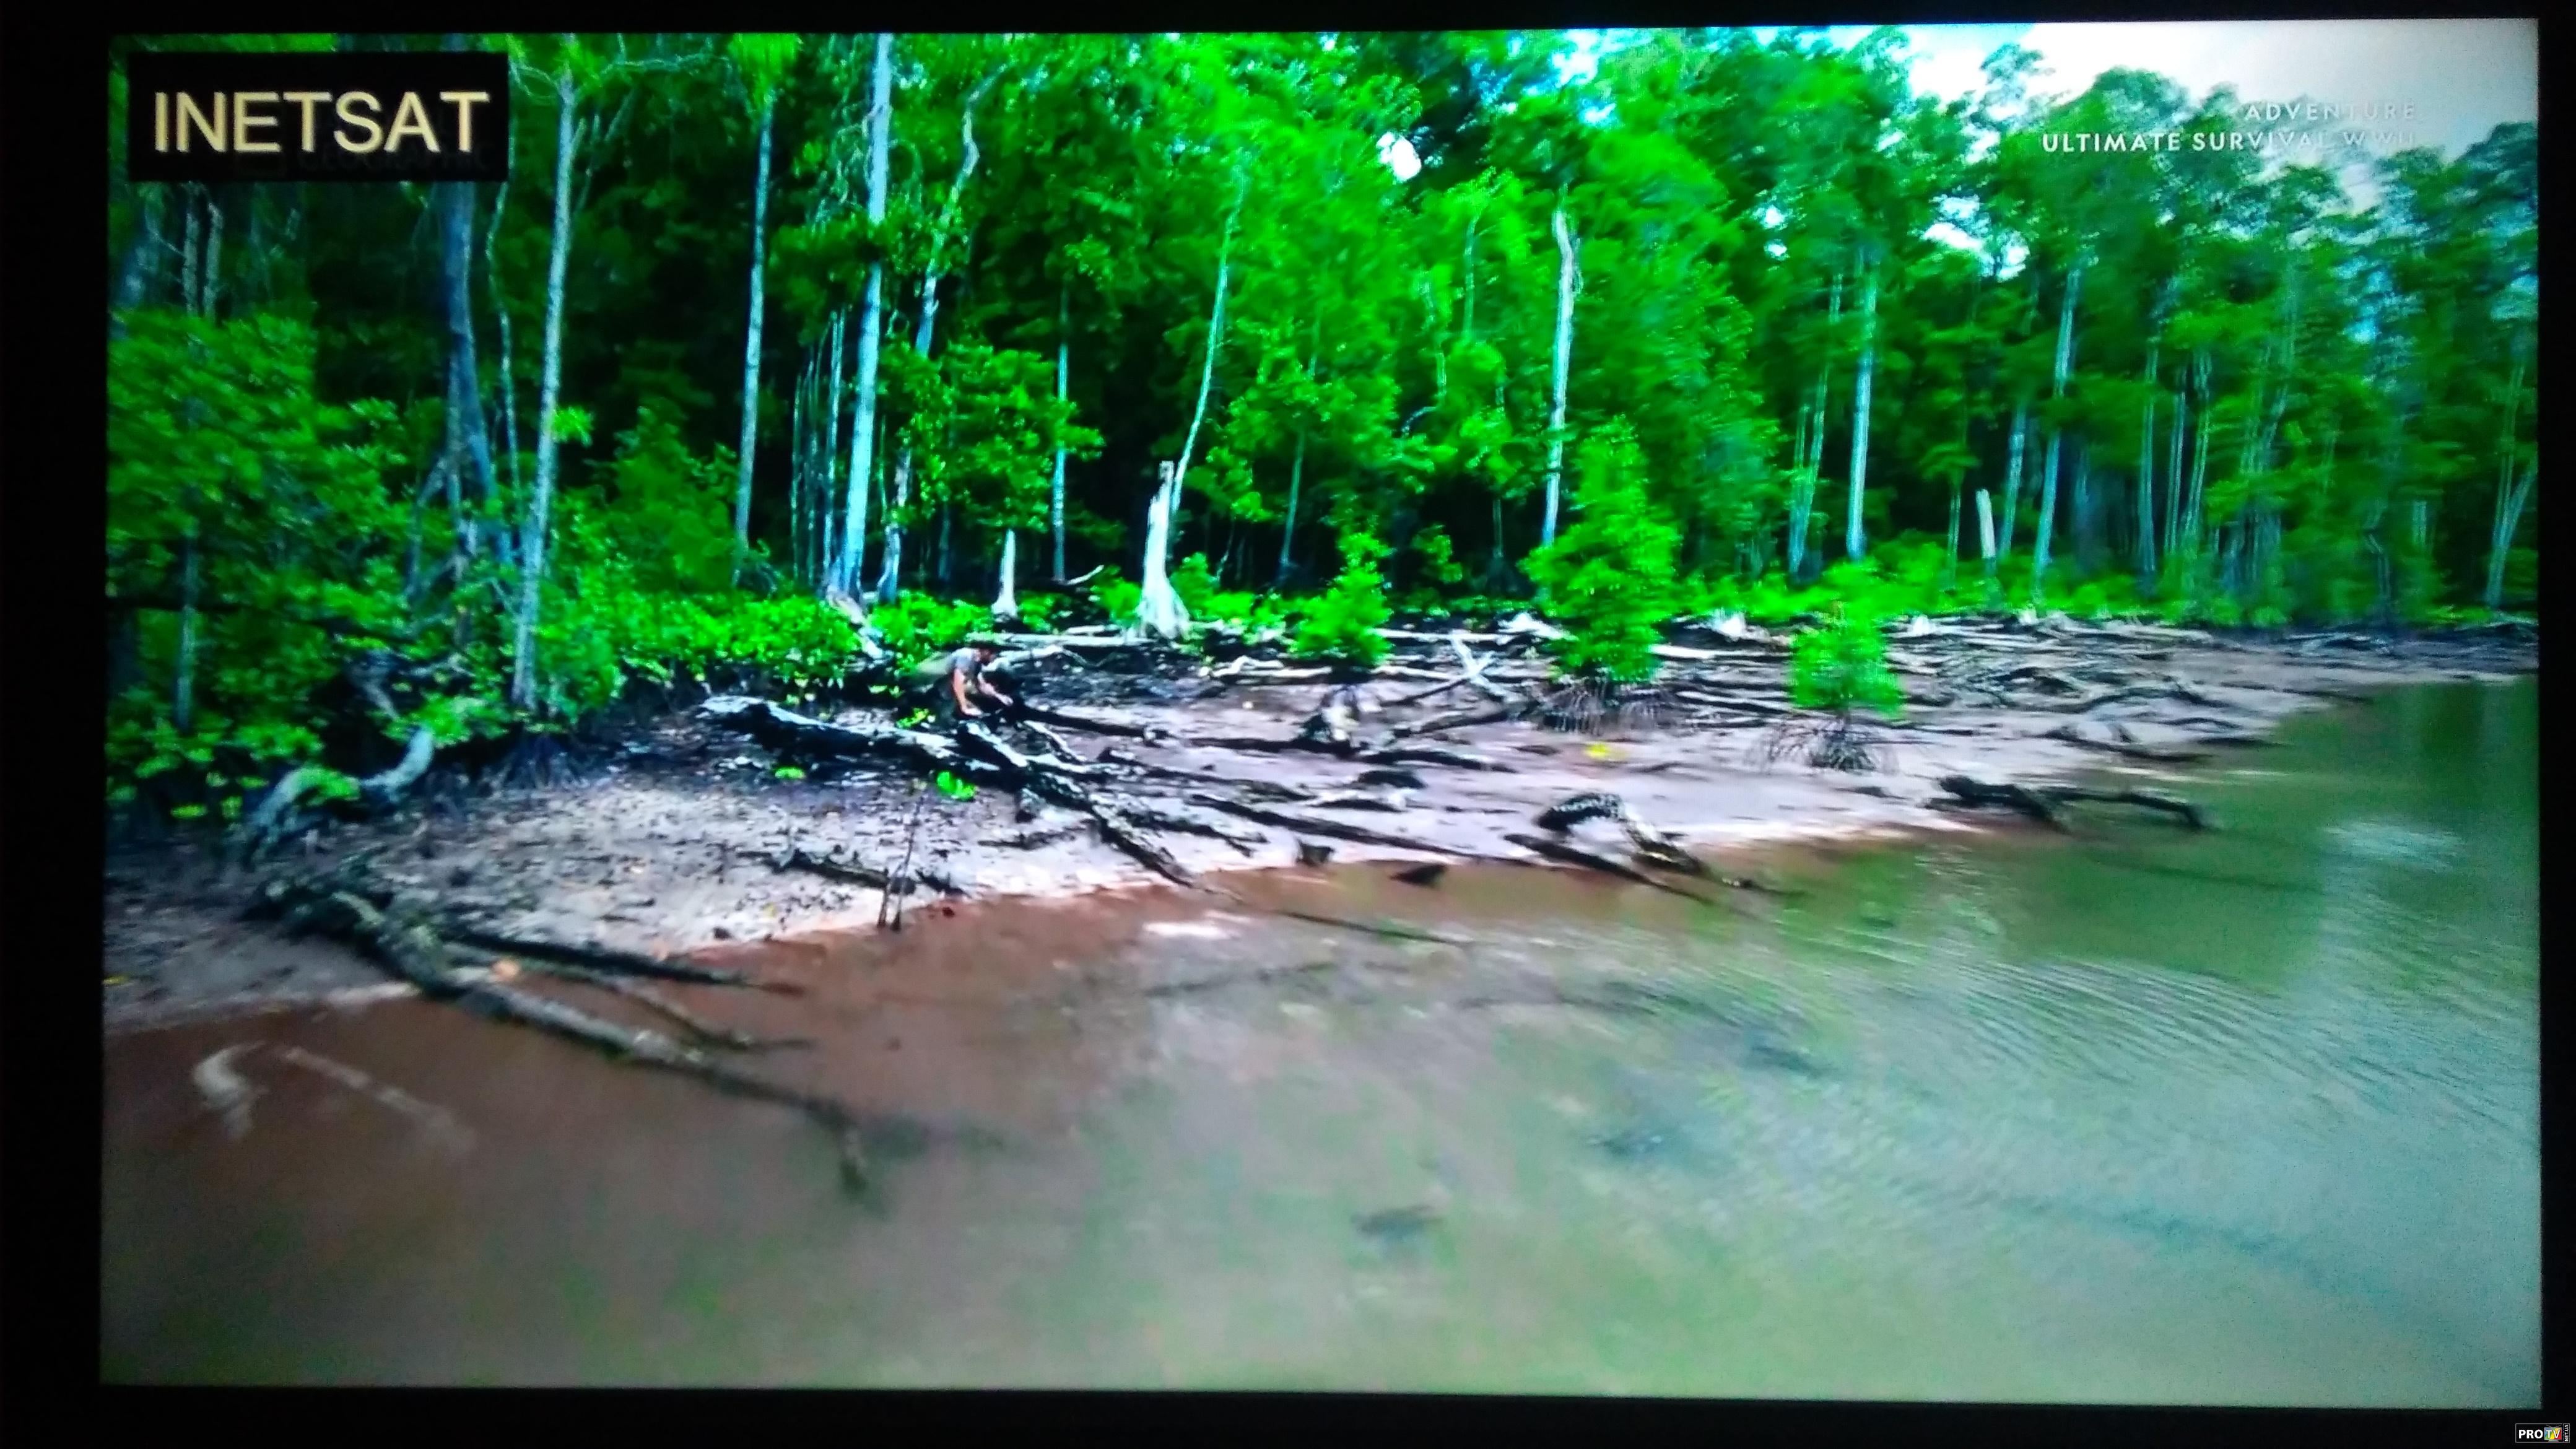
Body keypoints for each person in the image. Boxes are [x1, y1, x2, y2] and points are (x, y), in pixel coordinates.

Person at [910, 636, 1014, 728]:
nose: (993, 659)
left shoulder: (977, 664)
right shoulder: (966, 655)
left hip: (946, 695)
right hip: (932, 690)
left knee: (977, 715)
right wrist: (965, 708)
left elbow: (981, 685)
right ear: (986, 652)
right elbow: (957, 682)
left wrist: (998, 696)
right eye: (994, 655)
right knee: (946, 724)